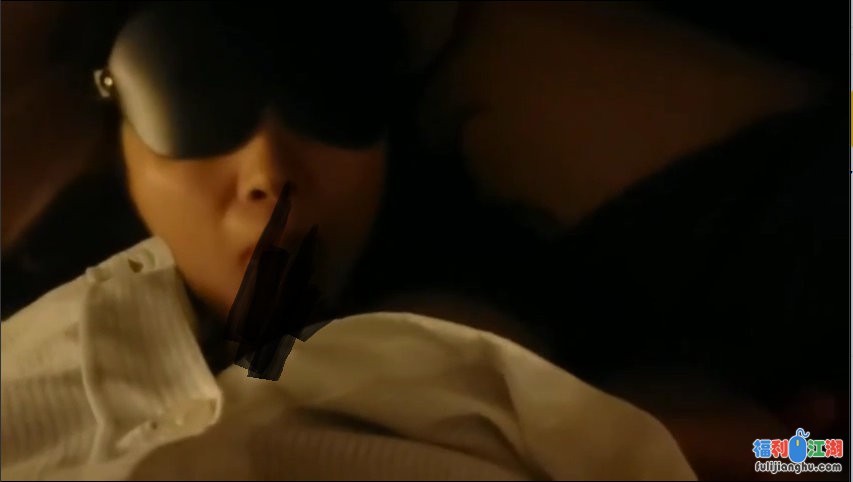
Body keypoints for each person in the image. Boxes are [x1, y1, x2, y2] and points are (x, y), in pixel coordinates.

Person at [0, 2, 697, 480]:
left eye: (328, 88)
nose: (268, 173)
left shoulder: (512, 358)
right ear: (112, 124)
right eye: (192, 94)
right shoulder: (36, 348)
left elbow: (766, 449)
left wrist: (761, 451)